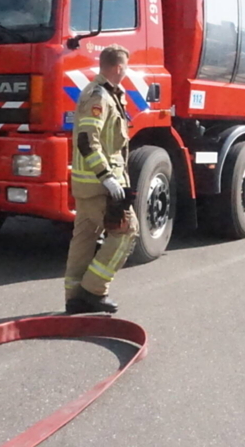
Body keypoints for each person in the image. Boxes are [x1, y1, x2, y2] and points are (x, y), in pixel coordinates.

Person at [63, 45, 139, 314]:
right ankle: (93, 290)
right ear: (118, 68)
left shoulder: (103, 94)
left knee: (84, 237)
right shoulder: (101, 97)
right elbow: (87, 140)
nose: (127, 72)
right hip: (100, 185)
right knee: (128, 231)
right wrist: (107, 177)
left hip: (86, 184)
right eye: (126, 68)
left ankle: (74, 297)